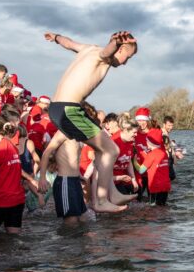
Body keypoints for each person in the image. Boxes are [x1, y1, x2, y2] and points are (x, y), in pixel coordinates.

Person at [43, 30, 137, 213]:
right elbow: (106, 52)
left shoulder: (87, 48)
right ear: (120, 49)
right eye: (128, 57)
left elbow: (68, 43)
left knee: (105, 151)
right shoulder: (103, 56)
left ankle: (112, 193)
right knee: (111, 149)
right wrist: (115, 43)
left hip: (61, 108)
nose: (126, 62)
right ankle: (101, 201)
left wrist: (55, 38)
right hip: (69, 109)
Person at [37, 131, 87, 224]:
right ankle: (65, 238)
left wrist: (79, 175)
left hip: (75, 181)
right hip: (65, 182)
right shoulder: (62, 132)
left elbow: (74, 157)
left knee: (82, 219)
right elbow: (46, 153)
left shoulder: (78, 132)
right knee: (72, 222)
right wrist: (42, 178)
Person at [139, 128, 171, 206]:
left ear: (149, 143)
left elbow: (141, 170)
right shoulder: (164, 153)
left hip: (155, 186)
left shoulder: (151, 155)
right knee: (162, 206)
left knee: (153, 208)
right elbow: (156, 161)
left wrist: (134, 161)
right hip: (166, 185)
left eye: (146, 140)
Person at [112, 118, 139, 195]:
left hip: (123, 179)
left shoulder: (130, 140)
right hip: (110, 181)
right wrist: (119, 178)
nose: (136, 135)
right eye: (134, 132)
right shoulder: (114, 142)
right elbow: (104, 169)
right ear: (126, 130)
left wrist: (133, 179)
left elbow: (128, 160)